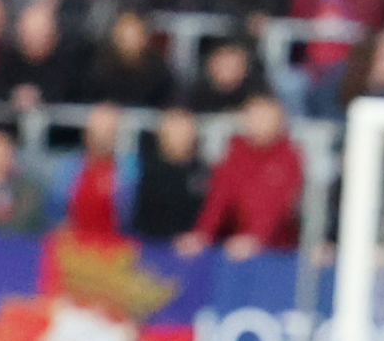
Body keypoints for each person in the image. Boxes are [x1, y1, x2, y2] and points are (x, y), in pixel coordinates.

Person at [180, 92, 303, 256]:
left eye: (265, 118)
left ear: (278, 121)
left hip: (278, 249)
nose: (258, 123)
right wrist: (202, 233)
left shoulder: (289, 157)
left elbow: (279, 205)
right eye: (253, 116)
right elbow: (219, 197)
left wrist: (256, 238)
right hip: (233, 242)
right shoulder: (235, 152)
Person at [53, 101, 135, 234]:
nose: (102, 137)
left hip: (116, 241)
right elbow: (56, 211)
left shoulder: (130, 170)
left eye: (109, 130)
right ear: (87, 132)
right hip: (74, 240)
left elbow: (130, 214)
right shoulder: (67, 168)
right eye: (97, 130)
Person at [131, 104, 210, 239]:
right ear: (162, 133)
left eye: (185, 130)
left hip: (195, 246)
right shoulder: (146, 171)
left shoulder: (203, 172)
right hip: (153, 245)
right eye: (175, 129)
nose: (181, 136)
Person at [82, 8, 175, 106]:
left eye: (136, 34)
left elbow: (168, 101)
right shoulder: (99, 68)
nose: (131, 41)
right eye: (126, 36)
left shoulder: (157, 70)